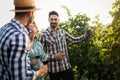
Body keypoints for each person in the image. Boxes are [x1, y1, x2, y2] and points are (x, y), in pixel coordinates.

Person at [0, 0, 47, 80]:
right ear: (30, 12)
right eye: (35, 12)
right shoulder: (20, 37)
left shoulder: (3, 28)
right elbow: (21, 77)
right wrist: (41, 72)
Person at [38, 11, 92, 80]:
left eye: (55, 19)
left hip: (66, 67)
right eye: (51, 19)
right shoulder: (43, 35)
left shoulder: (62, 32)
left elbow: (74, 40)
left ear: (58, 20)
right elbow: (40, 55)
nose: (53, 21)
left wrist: (86, 35)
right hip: (54, 70)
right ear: (48, 20)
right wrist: (54, 56)